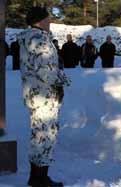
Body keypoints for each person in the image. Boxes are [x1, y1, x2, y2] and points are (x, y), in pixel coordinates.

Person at [18, 6, 70, 187]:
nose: (50, 22)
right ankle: (40, 179)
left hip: (35, 94)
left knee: (38, 135)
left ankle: (37, 177)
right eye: (48, 19)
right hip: (45, 95)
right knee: (46, 136)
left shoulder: (29, 37)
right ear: (40, 21)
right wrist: (62, 82)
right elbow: (47, 71)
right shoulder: (39, 39)